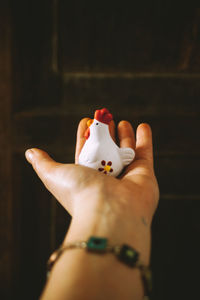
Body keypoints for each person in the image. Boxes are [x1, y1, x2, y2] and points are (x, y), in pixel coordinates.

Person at [25, 118, 159, 300]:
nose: (90, 129)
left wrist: (91, 201)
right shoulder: (93, 148)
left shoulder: (93, 151)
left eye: (95, 126)